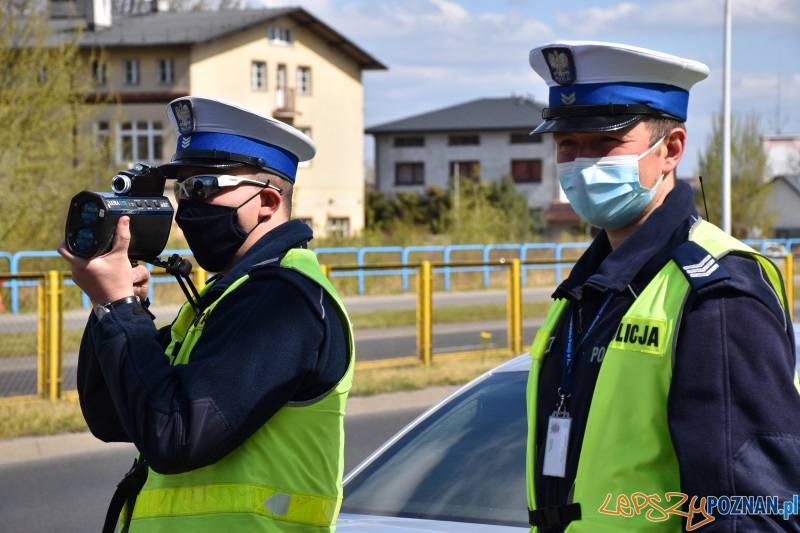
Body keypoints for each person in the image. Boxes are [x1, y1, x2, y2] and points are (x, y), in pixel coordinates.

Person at [524, 41, 800, 532]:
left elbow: (751, 513)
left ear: (670, 149)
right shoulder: (589, 286)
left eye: (606, 143)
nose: (580, 163)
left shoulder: (716, 294)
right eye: (567, 143)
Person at [58, 96, 354, 532]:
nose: (186, 207)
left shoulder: (285, 301)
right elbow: (111, 415)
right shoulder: (223, 300)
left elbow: (174, 435)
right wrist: (114, 306)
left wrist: (120, 309)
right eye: (182, 189)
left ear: (268, 202)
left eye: (203, 188)